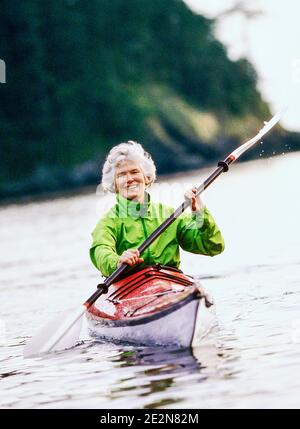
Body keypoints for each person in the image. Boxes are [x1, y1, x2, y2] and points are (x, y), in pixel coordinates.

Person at [90, 141, 225, 277]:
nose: (129, 179)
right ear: (115, 184)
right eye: (121, 175)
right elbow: (100, 251)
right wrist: (117, 261)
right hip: (128, 285)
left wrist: (199, 213)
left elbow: (213, 246)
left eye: (134, 171)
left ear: (146, 178)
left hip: (170, 282)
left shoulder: (172, 216)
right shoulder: (108, 222)